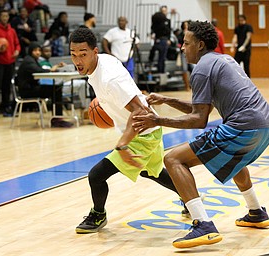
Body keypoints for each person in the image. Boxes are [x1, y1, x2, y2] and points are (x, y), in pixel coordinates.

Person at [132, 20, 269, 249]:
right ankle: (256, 211)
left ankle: (203, 224)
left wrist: (157, 120)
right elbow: (202, 108)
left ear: (199, 45)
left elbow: (199, 120)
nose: (181, 47)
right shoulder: (223, 59)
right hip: (268, 124)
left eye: (186, 42)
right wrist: (168, 100)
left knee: (173, 159)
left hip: (244, 126)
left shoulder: (201, 69)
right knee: (235, 159)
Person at [69, 26, 188, 234]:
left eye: (83, 55)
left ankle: (98, 215)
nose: (78, 61)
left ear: (94, 52)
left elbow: (139, 112)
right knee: (153, 172)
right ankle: (189, 196)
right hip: (145, 128)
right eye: (73, 55)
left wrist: (123, 144)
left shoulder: (110, 80)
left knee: (96, 176)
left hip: (143, 132)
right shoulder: (100, 63)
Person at [16, 42, 73, 127]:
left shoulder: (33, 60)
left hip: (31, 88)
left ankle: (57, 118)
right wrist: (50, 70)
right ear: (31, 51)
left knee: (56, 88)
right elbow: (39, 71)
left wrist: (53, 68)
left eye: (39, 50)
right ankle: (57, 119)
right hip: (27, 91)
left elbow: (39, 70)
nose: (38, 52)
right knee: (56, 89)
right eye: (35, 50)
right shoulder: (28, 61)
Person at [38, 44, 86, 109]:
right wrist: (57, 67)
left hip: (58, 85)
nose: (49, 53)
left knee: (82, 82)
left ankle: (86, 108)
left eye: (50, 51)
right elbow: (49, 72)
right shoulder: (41, 63)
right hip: (56, 88)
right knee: (83, 83)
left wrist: (62, 66)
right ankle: (86, 108)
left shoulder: (47, 62)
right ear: (41, 52)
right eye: (46, 51)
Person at [149, 5, 171, 74]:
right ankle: (151, 63)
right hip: (158, 38)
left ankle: (161, 71)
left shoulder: (168, 21)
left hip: (164, 39)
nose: (164, 12)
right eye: (162, 11)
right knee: (153, 51)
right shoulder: (156, 19)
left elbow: (169, 31)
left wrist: (169, 39)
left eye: (165, 11)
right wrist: (152, 34)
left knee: (162, 57)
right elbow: (153, 28)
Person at [175, 20, 193, 91]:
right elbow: (179, 43)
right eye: (185, 25)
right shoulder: (180, 34)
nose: (186, 26)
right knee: (184, 69)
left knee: (193, 68)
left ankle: (192, 85)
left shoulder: (191, 34)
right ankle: (187, 86)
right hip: (183, 53)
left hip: (191, 52)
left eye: (187, 25)